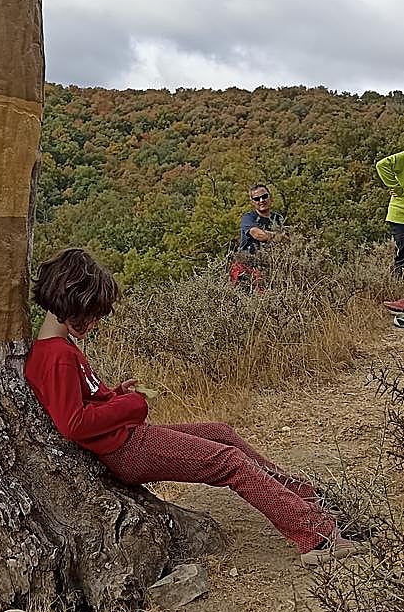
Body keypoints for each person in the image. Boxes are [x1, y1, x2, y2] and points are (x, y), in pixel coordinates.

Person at [25, 248, 361, 567]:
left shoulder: (60, 348)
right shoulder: (56, 357)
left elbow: (84, 401)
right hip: (125, 448)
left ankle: (310, 502)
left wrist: (115, 394)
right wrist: (133, 405)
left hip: (128, 438)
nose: (95, 322)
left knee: (221, 434)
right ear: (72, 304)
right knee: (230, 463)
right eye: (92, 313)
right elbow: (73, 423)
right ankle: (316, 537)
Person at [229, 184, 286, 289]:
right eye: (257, 198)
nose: (261, 200)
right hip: (246, 266)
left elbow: (287, 241)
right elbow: (258, 235)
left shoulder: (278, 218)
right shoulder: (248, 218)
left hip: (269, 268)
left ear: (270, 197)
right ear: (252, 202)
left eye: (264, 196)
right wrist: (278, 236)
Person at [375, 151, 404, 315]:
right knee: (403, 258)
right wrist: (397, 188)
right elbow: (382, 165)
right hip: (400, 216)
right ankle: (400, 299)